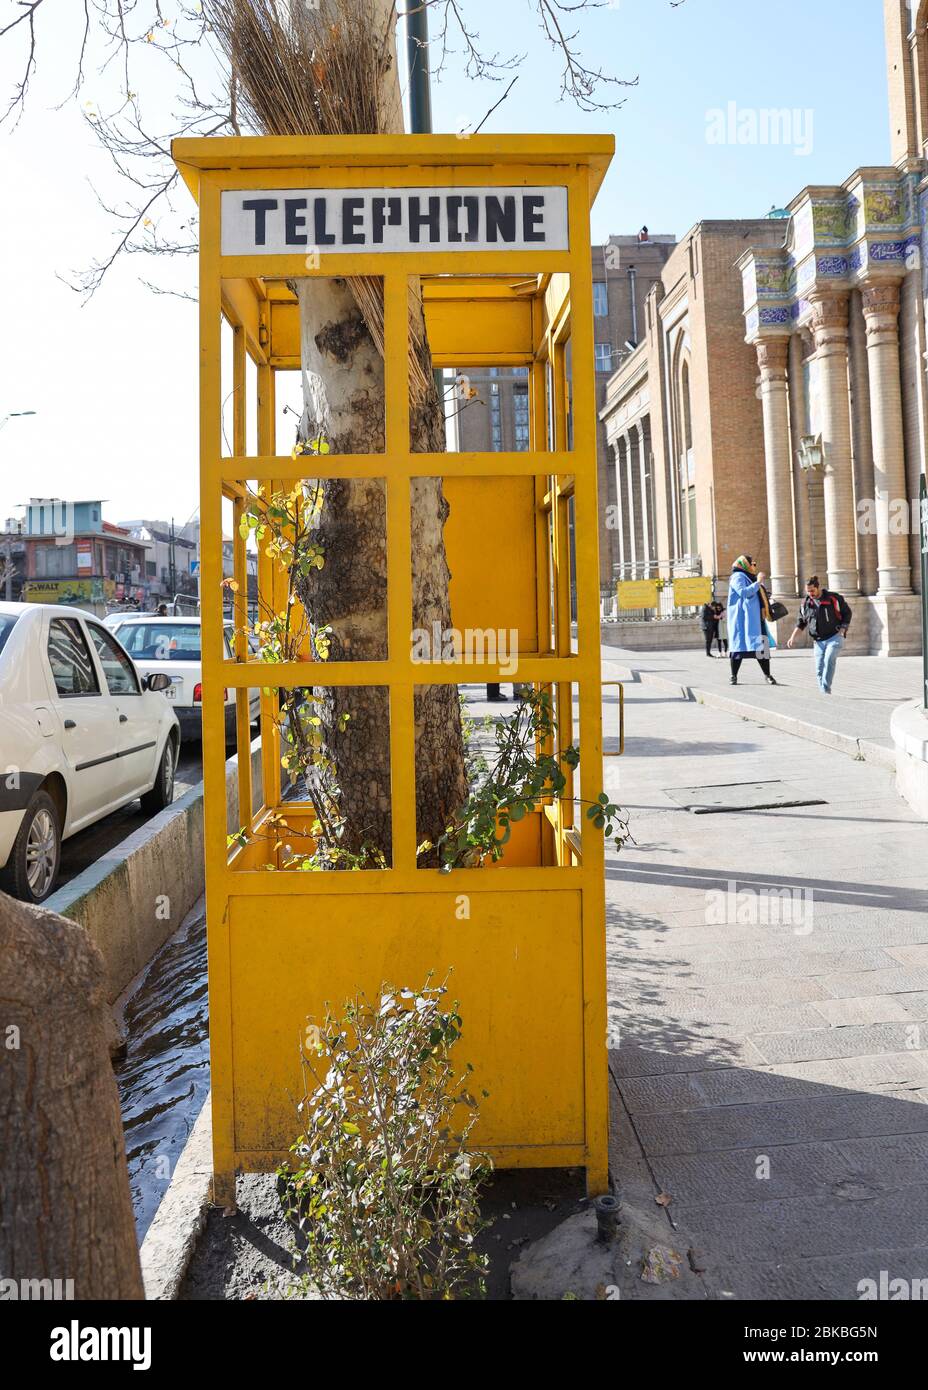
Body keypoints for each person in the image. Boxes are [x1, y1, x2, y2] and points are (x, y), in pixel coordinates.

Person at [786, 576, 852, 695]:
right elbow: (801, 623)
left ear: (818, 587)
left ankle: (825, 691)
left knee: (829, 659)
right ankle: (824, 692)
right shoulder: (805, 603)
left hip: (834, 636)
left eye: (812, 591)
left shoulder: (833, 598)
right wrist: (792, 637)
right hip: (818, 641)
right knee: (819, 669)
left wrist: (843, 629)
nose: (810, 593)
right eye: (808, 591)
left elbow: (847, 613)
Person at [726, 554, 777, 686]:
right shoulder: (738, 577)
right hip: (743, 620)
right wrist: (758, 582)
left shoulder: (749, 577)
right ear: (745, 565)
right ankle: (733, 676)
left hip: (755, 618)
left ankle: (768, 675)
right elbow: (743, 592)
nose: (754, 566)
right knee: (739, 648)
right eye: (751, 564)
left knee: (761, 649)